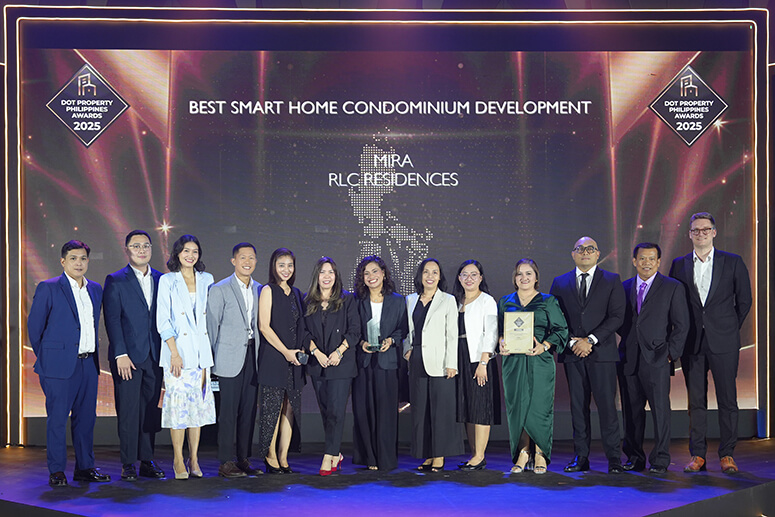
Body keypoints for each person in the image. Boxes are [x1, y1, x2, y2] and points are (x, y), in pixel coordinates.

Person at [669, 212, 752, 474]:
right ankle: (698, 455)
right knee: (696, 402)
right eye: (696, 230)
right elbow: (674, 304)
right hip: (692, 342)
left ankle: (727, 454)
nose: (701, 234)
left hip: (724, 341)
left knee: (727, 399)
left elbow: (745, 300)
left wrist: (729, 327)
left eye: (706, 229)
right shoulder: (679, 265)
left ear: (714, 232)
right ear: (690, 234)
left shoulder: (732, 262)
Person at [28, 240, 111, 487]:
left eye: (83, 258)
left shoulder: (95, 289)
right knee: (57, 419)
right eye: (73, 258)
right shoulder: (49, 287)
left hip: (88, 364)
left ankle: (85, 467)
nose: (79, 263)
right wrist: (49, 359)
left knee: (86, 420)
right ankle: (56, 470)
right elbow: (35, 329)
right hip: (58, 366)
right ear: (63, 261)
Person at [549, 236, 626, 474]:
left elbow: (617, 316)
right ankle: (581, 457)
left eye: (590, 249)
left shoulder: (612, 280)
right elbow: (554, 317)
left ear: (598, 254)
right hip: (573, 353)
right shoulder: (560, 282)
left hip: (602, 353)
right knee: (578, 408)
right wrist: (573, 341)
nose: (585, 252)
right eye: (580, 249)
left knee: (607, 408)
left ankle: (614, 458)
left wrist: (590, 340)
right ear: (573, 254)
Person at [618, 243, 689, 474]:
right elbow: (619, 321)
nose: (646, 263)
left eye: (651, 259)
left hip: (658, 359)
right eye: (642, 258)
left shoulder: (672, 287)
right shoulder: (624, 287)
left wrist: (670, 354)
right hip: (629, 359)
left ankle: (660, 459)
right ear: (634, 261)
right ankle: (635, 457)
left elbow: (682, 325)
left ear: (658, 262)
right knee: (631, 413)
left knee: (660, 411)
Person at [104, 230, 165, 481]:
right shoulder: (116, 280)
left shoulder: (163, 279)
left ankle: (147, 460)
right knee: (128, 410)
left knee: (150, 409)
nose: (142, 250)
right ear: (127, 250)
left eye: (146, 245)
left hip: (155, 355)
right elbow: (112, 319)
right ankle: (128, 462)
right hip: (127, 358)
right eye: (136, 246)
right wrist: (120, 353)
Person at [499, 259, 568, 474]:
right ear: (514, 278)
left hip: (539, 361)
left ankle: (540, 453)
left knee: (539, 407)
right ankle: (523, 452)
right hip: (513, 362)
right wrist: (501, 342)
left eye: (529, 273)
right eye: (519, 274)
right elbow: (499, 331)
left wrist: (545, 345)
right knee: (517, 407)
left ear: (536, 277)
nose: (524, 278)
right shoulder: (505, 301)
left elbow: (561, 330)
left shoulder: (548, 301)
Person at [156, 234, 216, 480]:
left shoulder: (207, 279)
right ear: (177, 253)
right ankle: (178, 459)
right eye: (186, 251)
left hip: (201, 354)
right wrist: (174, 353)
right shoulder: (168, 280)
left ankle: (194, 458)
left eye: (195, 251)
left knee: (197, 409)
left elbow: (210, 317)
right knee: (179, 409)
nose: (190, 255)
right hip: (177, 353)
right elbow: (163, 320)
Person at [206, 243, 261, 478]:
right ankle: (226, 462)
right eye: (242, 258)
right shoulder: (220, 288)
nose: (247, 262)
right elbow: (211, 326)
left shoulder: (260, 289)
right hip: (228, 358)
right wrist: (210, 362)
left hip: (253, 356)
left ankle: (243, 458)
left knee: (248, 411)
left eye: (251, 258)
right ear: (233, 261)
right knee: (228, 413)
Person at [302, 257, 360, 475]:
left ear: (336, 276)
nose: (327, 276)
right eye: (323, 272)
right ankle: (336, 453)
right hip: (318, 364)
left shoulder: (347, 300)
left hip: (341, 364)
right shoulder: (308, 301)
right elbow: (303, 332)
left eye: (331, 272)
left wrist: (339, 352)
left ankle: (329, 456)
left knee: (336, 411)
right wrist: (316, 352)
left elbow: (355, 331)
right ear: (316, 276)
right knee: (326, 411)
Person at [403, 258, 462, 472]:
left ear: (440, 276)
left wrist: (451, 363)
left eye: (434, 272)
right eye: (426, 272)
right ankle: (427, 454)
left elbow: (452, 334)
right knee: (421, 411)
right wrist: (407, 349)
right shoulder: (410, 300)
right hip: (417, 359)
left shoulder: (448, 300)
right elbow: (407, 330)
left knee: (440, 411)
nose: (430, 276)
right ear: (420, 275)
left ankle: (439, 456)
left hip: (441, 362)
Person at [352, 255, 408, 471]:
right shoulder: (356, 301)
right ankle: (369, 458)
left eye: (375, 271)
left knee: (386, 413)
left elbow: (403, 329)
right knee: (364, 410)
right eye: (366, 273)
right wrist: (361, 342)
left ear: (383, 273)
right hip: (364, 362)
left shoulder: (398, 300)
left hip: (388, 362)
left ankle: (386, 458)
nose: (371, 276)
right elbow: (352, 328)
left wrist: (391, 340)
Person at [256, 248, 306, 474]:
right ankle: (270, 455)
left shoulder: (296, 293)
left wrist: (299, 351)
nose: (286, 269)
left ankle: (284, 457)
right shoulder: (268, 290)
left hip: (294, 359)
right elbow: (264, 327)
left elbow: (301, 326)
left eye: (290, 265)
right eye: (281, 265)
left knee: (290, 408)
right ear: (273, 267)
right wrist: (286, 351)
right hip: (274, 357)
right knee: (273, 409)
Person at [452, 260, 500, 471]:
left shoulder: (487, 301)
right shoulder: (455, 301)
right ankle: (474, 454)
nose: (469, 278)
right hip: (459, 358)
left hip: (479, 359)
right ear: (459, 278)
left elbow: (491, 333)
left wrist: (483, 362)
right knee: (467, 407)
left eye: (474, 274)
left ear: (480, 278)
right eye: (465, 274)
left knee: (480, 407)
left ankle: (480, 456)